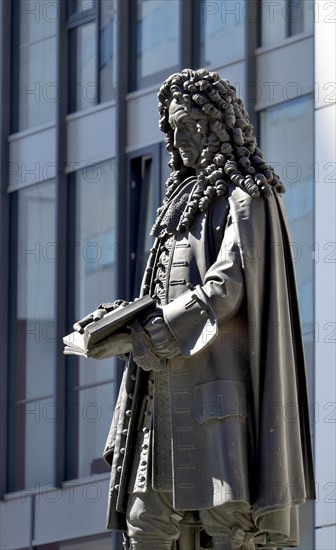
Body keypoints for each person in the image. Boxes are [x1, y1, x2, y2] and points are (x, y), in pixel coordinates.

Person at [74, 69, 315, 549]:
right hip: (160, 392)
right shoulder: (178, 204)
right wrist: (121, 321)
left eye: (190, 125)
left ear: (218, 126)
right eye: (173, 127)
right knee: (146, 521)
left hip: (216, 393)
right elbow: (161, 288)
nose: (180, 138)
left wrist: (157, 327)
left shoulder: (248, 194)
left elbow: (227, 284)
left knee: (230, 523)